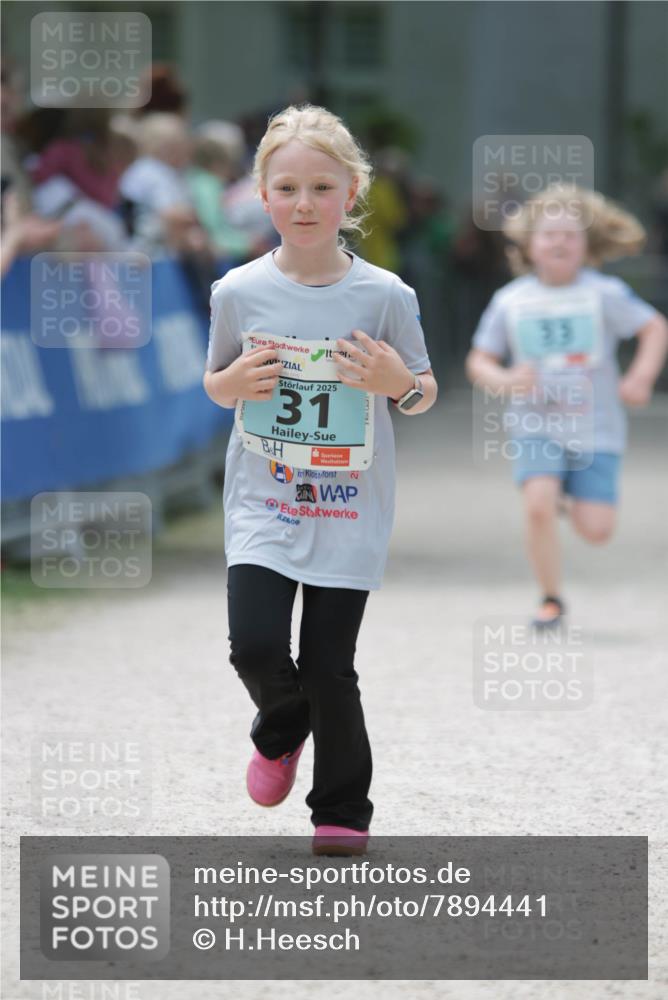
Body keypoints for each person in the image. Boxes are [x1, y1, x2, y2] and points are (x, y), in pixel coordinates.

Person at [203, 105, 437, 856]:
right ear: (262, 195)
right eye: (288, 188)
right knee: (254, 644)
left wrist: (400, 381)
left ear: (352, 193)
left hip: (349, 504)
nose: (304, 204)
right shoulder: (237, 291)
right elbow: (216, 383)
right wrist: (233, 380)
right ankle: (282, 725)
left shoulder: (385, 296)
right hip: (263, 497)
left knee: (332, 665)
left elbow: (423, 389)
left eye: (321, 188)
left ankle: (341, 807)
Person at [466, 184, 668, 627]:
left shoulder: (604, 293)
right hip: (535, 423)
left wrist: (640, 377)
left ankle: (565, 493)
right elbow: (479, 360)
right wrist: (505, 379)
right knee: (537, 504)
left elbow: (654, 327)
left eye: (570, 235)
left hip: (596, 429)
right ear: (529, 245)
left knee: (597, 531)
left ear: (587, 245)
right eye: (548, 234)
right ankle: (550, 598)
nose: (559, 242)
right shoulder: (511, 300)